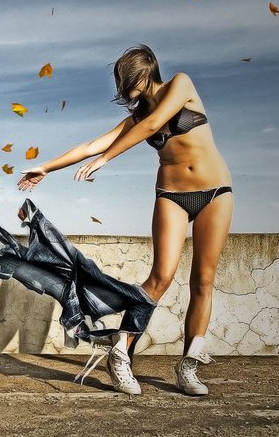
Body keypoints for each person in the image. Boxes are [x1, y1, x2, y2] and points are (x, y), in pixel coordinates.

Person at [18, 44, 233, 396]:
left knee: (203, 280)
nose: (125, 86)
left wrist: (106, 159)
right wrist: (46, 167)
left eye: (130, 78)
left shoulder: (181, 84)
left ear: (147, 72)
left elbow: (153, 125)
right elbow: (91, 145)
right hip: (172, 196)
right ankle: (120, 355)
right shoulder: (134, 119)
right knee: (160, 278)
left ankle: (188, 367)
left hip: (215, 192)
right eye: (122, 80)